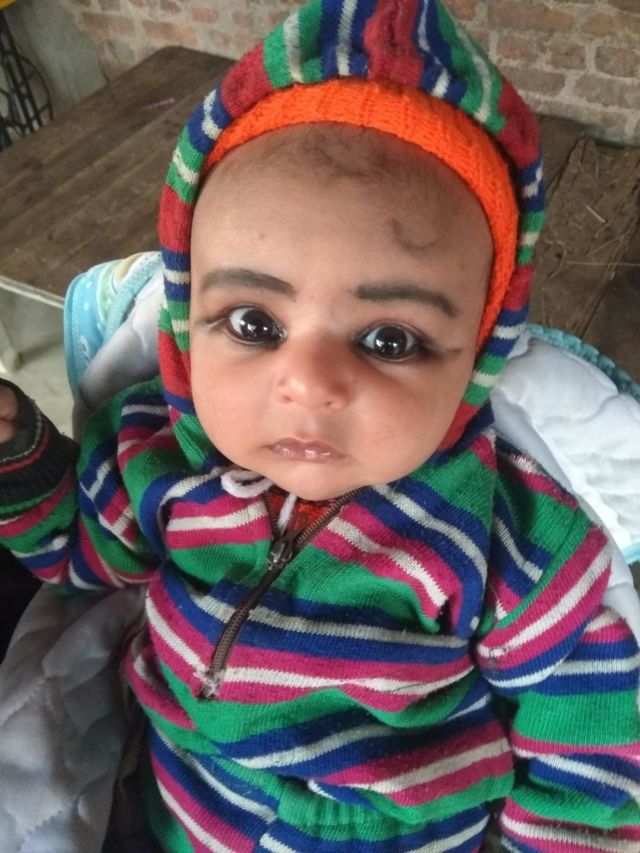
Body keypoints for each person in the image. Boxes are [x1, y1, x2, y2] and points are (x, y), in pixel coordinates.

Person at [1, 0, 639, 849]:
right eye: (254, 323)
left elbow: (588, 751)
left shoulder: (512, 536)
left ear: (478, 358)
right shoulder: (151, 453)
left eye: (389, 339)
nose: (307, 384)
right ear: (186, 326)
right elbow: (83, 559)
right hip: (180, 812)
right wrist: (21, 459)